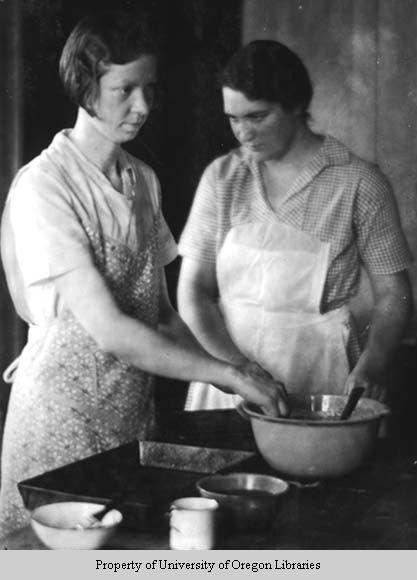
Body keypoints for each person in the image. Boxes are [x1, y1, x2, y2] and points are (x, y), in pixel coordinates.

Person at [0, 16, 287, 538]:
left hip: (129, 420)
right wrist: (224, 376)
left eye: (149, 88)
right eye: (124, 90)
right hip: (58, 420)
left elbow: (160, 315)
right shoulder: (46, 185)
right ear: (85, 89)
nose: (143, 107)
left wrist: (238, 367)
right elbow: (111, 330)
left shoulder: (142, 181)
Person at [177, 39, 413, 411]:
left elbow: (393, 295)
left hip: (321, 374)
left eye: (257, 117)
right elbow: (192, 292)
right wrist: (240, 371)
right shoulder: (221, 178)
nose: (243, 133)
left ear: (297, 105)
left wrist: (373, 364)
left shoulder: (358, 182)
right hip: (229, 378)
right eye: (233, 119)